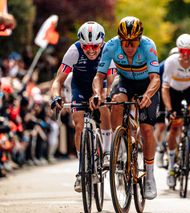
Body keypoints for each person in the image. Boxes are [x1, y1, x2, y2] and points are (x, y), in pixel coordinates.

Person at [93, 16, 160, 200]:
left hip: (146, 83)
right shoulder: (111, 46)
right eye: (125, 42)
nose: (129, 46)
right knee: (116, 101)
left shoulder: (148, 46)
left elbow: (156, 78)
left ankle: (149, 175)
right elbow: (99, 76)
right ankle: (120, 143)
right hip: (124, 81)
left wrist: (148, 95)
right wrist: (98, 94)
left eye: (133, 42)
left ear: (139, 39)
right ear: (119, 40)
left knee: (146, 129)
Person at [50, 21, 115, 193]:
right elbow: (58, 80)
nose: (91, 50)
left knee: (103, 107)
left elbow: (111, 79)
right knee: (78, 124)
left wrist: (104, 96)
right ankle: (81, 170)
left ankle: (107, 152)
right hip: (79, 85)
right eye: (86, 47)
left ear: (101, 43)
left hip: (102, 84)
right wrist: (56, 96)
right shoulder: (74, 51)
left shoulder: (108, 50)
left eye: (95, 46)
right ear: (81, 44)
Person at [162, 34, 190, 187]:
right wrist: (169, 109)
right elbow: (165, 88)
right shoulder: (171, 62)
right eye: (183, 51)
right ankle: (170, 167)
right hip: (174, 91)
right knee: (175, 127)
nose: (187, 54)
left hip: (189, 89)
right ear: (179, 50)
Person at [155, 47, 179, 168]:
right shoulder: (162, 66)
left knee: (176, 122)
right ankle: (159, 149)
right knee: (160, 125)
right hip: (161, 94)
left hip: (173, 95)